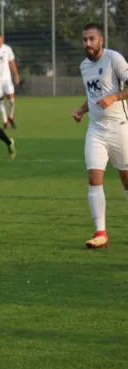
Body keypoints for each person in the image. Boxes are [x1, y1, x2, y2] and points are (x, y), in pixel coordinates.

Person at [72, 23, 128, 249]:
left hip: (119, 127)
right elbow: (93, 96)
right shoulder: (84, 66)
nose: (88, 43)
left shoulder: (114, 59)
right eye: (85, 39)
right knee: (94, 179)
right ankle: (100, 232)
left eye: (92, 39)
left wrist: (114, 97)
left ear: (101, 40)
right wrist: (81, 109)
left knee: (126, 180)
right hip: (95, 129)